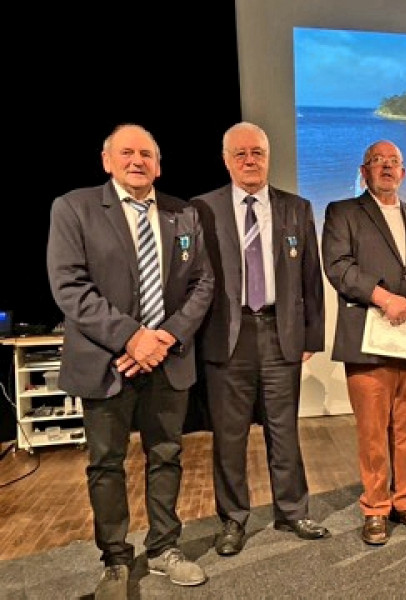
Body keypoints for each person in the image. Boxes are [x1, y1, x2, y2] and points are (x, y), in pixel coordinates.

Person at [46, 123, 214, 599]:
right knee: (106, 463)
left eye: (146, 153)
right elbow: (70, 286)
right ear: (107, 160)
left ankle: (164, 549)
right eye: (127, 152)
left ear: (158, 164)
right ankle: (116, 560)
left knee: (167, 455)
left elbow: (204, 284)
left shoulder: (185, 214)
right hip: (107, 361)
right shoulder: (73, 208)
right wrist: (131, 339)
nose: (137, 160)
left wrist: (163, 338)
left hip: (168, 359)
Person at [190, 121, 329, 557]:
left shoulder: (297, 208)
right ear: (226, 160)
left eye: (258, 153)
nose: (250, 161)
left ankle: (293, 510)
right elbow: (192, 277)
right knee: (229, 437)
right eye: (241, 154)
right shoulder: (202, 208)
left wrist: (312, 335)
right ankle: (232, 520)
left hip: (280, 332)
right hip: (226, 337)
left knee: (284, 431)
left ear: (268, 157)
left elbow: (310, 277)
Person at [321, 140, 406, 546]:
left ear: (404, 172)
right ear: (364, 172)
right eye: (377, 162)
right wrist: (386, 299)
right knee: (374, 430)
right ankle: (376, 507)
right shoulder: (343, 212)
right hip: (368, 339)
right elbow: (339, 266)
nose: (386, 168)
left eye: (393, 162)